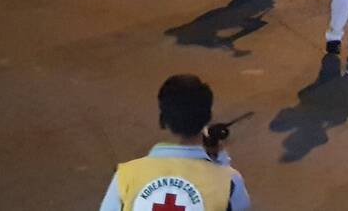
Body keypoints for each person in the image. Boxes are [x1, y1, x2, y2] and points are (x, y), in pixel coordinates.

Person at [98, 74, 250, 211]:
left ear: (163, 120)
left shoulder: (126, 176)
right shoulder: (228, 181)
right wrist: (220, 161)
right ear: (208, 117)